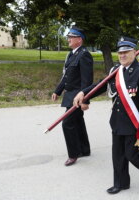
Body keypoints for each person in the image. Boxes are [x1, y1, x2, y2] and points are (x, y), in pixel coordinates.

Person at [73, 36, 139, 194]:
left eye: (126, 52)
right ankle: (121, 183)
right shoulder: (115, 70)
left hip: (134, 121)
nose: (122, 55)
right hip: (117, 120)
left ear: (134, 52)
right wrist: (84, 93)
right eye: (120, 53)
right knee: (118, 154)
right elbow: (100, 85)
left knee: (131, 153)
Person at [52, 26, 93, 166]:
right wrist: (57, 91)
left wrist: (85, 99)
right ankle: (84, 149)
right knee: (77, 122)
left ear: (79, 39)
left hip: (77, 97)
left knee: (68, 124)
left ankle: (73, 154)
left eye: (72, 37)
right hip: (70, 95)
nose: (68, 39)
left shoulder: (84, 55)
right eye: (68, 37)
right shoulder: (72, 54)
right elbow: (67, 76)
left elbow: (87, 80)